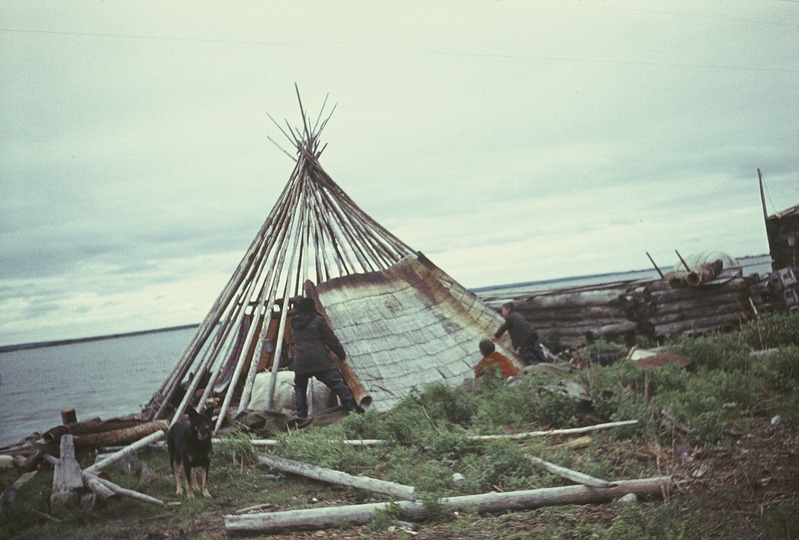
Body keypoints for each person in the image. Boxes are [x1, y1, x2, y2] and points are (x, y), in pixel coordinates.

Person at [290, 297, 360, 418]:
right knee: (339, 385)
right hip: (319, 360)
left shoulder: (294, 323)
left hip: (301, 362)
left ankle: (301, 417)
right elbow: (331, 340)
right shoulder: (318, 320)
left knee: (300, 388)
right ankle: (355, 413)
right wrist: (341, 354)